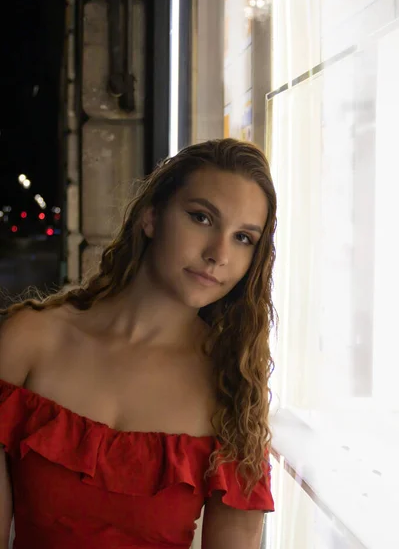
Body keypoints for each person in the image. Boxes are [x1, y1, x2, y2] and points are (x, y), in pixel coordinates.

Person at [0, 138, 277, 549]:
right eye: (202, 218)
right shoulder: (28, 341)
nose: (218, 253)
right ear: (151, 216)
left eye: (243, 238)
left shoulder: (231, 390)